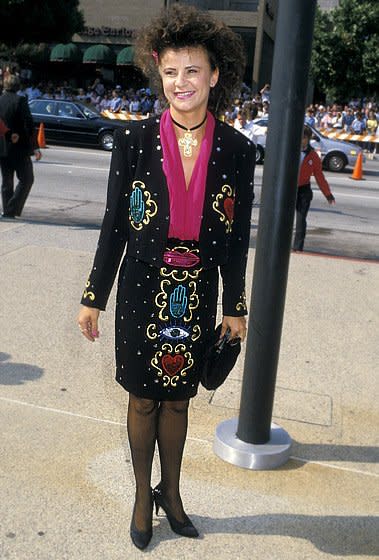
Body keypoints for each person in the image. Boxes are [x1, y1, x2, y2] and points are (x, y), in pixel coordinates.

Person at [77, 4, 255, 551]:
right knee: (142, 401)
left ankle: (171, 494)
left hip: (196, 292)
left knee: (178, 399)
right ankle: (139, 496)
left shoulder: (237, 149)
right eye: (172, 71)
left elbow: (234, 236)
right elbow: (113, 225)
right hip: (138, 289)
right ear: (160, 72)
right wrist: (94, 297)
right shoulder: (131, 144)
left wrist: (236, 304)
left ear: (214, 74)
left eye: (193, 70)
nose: (182, 82)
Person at [0, 74, 41, 218]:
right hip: (19, 147)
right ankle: (12, 208)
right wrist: (35, 146)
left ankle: (8, 211)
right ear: (17, 86)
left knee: (7, 181)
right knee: (27, 178)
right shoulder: (20, 100)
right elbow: (28, 125)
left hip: (3, 147)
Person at [293, 127, 335, 251]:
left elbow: (319, 176)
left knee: (301, 219)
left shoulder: (313, 156)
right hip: (289, 189)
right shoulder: (289, 150)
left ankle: (297, 248)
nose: (302, 141)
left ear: (308, 139)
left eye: (304, 138)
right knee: (283, 219)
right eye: (300, 138)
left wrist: (328, 194)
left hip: (303, 190)